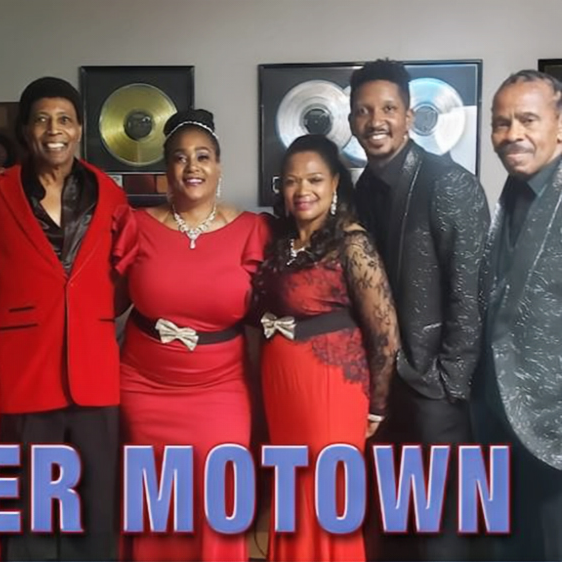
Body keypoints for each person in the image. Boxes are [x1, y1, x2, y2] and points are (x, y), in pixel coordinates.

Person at [0, 76, 127, 561]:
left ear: (79, 128)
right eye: (41, 119)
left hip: (96, 370)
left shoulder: (110, 193)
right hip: (23, 369)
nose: (53, 129)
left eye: (64, 119)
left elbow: (123, 275)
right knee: (28, 508)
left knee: (96, 509)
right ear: (24, 130)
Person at [112, 108, 269, 561]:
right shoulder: (136, 226)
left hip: (221, 389)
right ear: (166, 170)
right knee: (155, 507)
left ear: (219, 167)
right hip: (145, 388)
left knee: (218, 503)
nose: (192, 167)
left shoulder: (251, 230)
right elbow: (106, 305)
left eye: (203, 156)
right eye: (180, 158)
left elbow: (269, 316)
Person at [349, 58, 488, 561]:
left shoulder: (449, 183)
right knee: (391, 527)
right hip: (380, 387)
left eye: (388, 108)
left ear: (410, 116)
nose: (375, 120)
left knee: (441, 536)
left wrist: (450, 382)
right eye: (363, 111)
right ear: (350, 122)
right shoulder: (359, 189)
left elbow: (469, 292)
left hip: (435, 389)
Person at [253, 134, 399, 561]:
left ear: (335, 183)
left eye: (315, 179)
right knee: (292, 496)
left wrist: (377, 406)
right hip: (283, 394)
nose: (303, 191)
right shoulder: (280, 242)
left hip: (331, 392)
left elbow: (385, 334)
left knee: (327, 498)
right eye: (293, 181)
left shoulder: (352, 244)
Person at [473, 69, 562, 561]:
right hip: (498, 420)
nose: (511, 135)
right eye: (501, 123)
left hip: (555, 432)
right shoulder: (511, 192)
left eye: (527, 119)